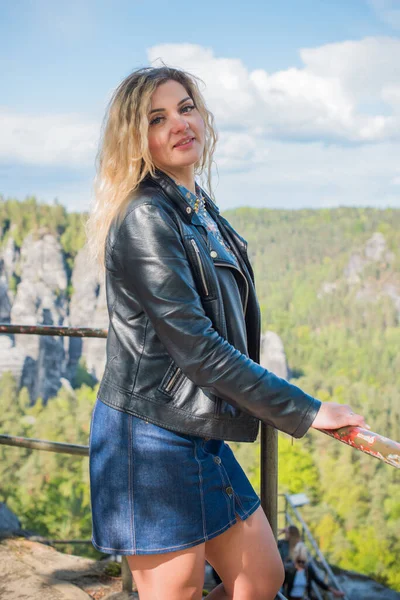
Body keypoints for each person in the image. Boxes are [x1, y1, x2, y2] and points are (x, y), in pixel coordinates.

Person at [86, 66, 367, 600]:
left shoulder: (197, 208)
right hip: (150, 439)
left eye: (186, 107)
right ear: (135, 137)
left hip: (199, 429)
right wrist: (307, 410)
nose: (179, 124)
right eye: (157, 118)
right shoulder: (146, 215)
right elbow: (200, 351)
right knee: (178, 592)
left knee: (261, 578)